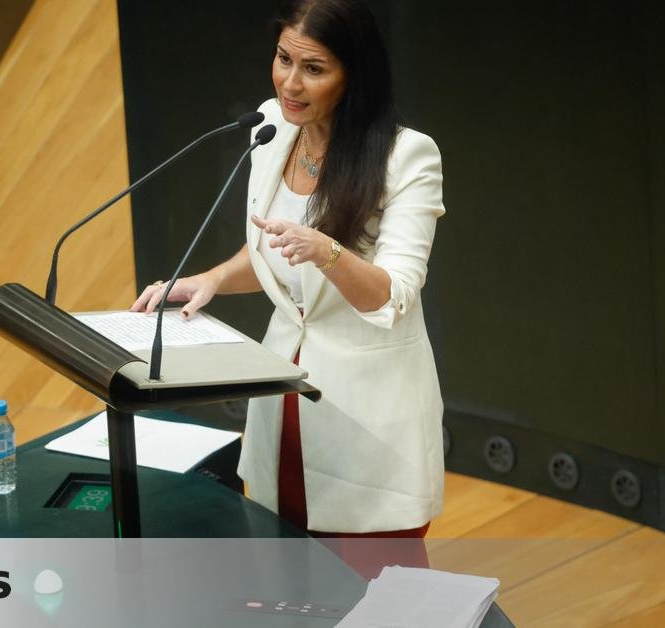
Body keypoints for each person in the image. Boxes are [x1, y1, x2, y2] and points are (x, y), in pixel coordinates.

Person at [131, 0, 445, 550]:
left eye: (314, 69)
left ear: (354, 75)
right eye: (283, 59)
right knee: (283, 570)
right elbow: (275, 252)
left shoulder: (407, 157)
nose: (290, 83)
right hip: (283, 395)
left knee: (370, 581)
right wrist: (212, 279)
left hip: (367, 418)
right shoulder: (273, 126)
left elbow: (391, 296)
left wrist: (327, 251)